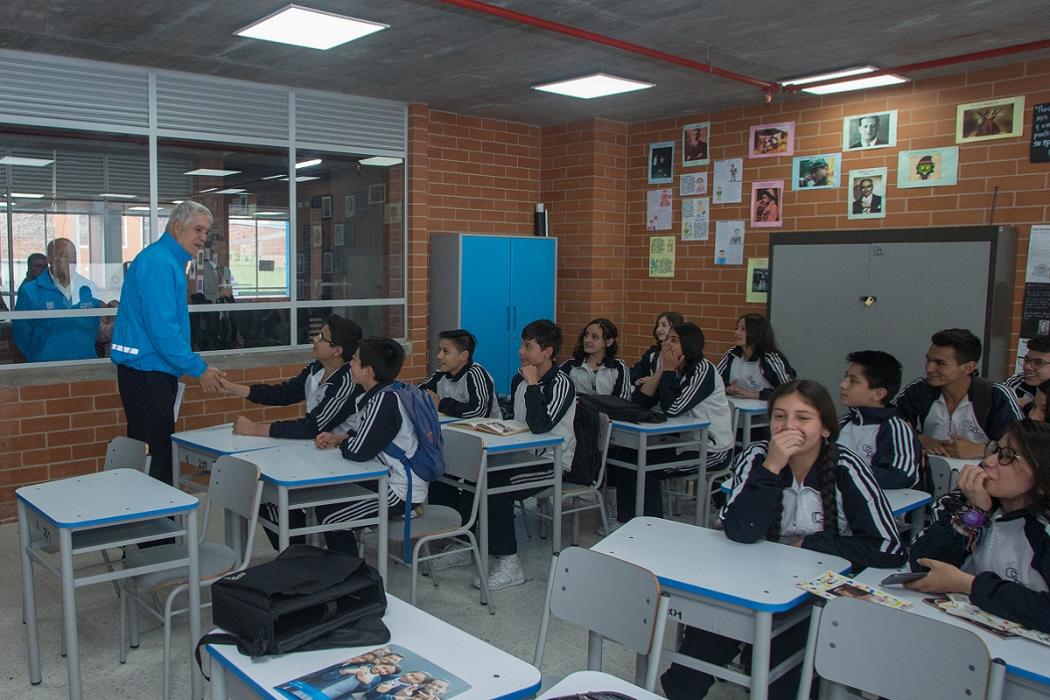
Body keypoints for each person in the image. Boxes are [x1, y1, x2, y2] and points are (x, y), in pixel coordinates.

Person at [660, 380, 905, 700]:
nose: (789, 426)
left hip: (817, 593)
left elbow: (889, 546)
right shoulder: (757, 457)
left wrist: (811, 544)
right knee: (706, 641)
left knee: (786, 673)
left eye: (803, 418)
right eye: (779, 417)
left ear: (826, 429)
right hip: (755, 582)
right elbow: (739, 529)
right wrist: (772, 467)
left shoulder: (847, 467)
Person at [431, 319, 576, 590]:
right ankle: (464, 544)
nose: (521, 351)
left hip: (548, 463)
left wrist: (533, 386)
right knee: (467, 471)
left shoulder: (561, 384)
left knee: (494, 483)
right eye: (522, 344)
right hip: (518, 455)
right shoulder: (519, 380)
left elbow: (540, 425)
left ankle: (510, 564)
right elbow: (518, 423)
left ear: (547, 352)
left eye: (528, 346)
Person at [111, 201, 226, 487]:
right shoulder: (160, 263)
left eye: (206, 231)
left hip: (151, 374)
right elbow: (163, 331)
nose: (202, 238)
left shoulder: (167, 261)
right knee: (157, 463)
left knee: (155, 456)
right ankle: (160, 530)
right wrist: (198, 368)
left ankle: (157, 527)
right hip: (147, 376)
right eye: (197, 229)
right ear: (176, 227)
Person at [907, 419, 1050, 634]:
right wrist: (976, 512)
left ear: (1041, 482)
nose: (988, 462)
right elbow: (923, 566)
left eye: (1008, 456)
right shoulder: (969, 503)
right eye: (996, 450)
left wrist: (969, 585)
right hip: (971, 635)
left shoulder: (1043, 530)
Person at [613, 322, 734, 522]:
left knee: (646, 468)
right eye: (667, 339)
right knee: (626, 456)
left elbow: (674, 409)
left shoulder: (704, 370)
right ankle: (626, 522)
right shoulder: (671, 366)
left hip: (711, 448)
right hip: (681, 443)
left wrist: (667, 371)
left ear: (689, 345)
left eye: (674, 340)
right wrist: (661, 371)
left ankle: (652, 526)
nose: (667, 344)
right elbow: (640, 402)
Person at [315, 338, 426, 557]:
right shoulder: (383, 393)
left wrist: (345, 443)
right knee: (324, 498)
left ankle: (354, 581)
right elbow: (367, 435)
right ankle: (325, 566)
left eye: (355, 360)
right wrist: (341, 438)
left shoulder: (384, 400)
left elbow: (358, 451)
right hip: (385, 477)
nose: (349, 365)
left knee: (333, 518)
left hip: (400, 490)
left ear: (368, 370)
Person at [219, 315, 363, 438]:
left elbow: (313, 426)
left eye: (321, 338)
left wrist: (254, 429)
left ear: (337, 351)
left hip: (340, 453)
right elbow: (284, 393)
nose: (315, 339)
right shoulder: (316, 368)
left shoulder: (348, 381)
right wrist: (233, 389)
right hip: (320, 446)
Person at [896, 328, 1022, 459]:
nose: (929, 369)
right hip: (929, 474)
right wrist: (917, 438)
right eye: (928, 360)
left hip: (984, 475)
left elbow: (1024, 449)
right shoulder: (917, 390)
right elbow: (889, 428)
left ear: (968, 368)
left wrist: (983, 449)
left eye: (940, 363)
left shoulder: (996, 395)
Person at [837, 350, 923, 489]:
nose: (843, 384)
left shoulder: (896, 428)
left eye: (853, 381)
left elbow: (902, 475)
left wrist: (842, 473)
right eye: (846, 377)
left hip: (880, 506)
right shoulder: (842, 423)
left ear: (879, 394)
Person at [13, 237, 104, 362]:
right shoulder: (30, 292)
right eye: (64, 255)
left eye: (73, 255)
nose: (70, 261)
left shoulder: (87, 288)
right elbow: (22, 335)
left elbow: (94, 326)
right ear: (49, 259)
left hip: (84, 365)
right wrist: (41, 355)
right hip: (47, 368)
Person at [418, 329, 500, 418]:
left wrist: (441, 404)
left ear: (464, 356)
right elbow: (417, 392)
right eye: (439, 350)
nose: (439, 356)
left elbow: (479, 412)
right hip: (451, 429)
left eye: (445, 351)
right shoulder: (440, 374)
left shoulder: (476, 373)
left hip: (484, 431)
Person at [717, 313, 796, 400]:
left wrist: (754, 394)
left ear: (757, 333)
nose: (737, 333)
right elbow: (715, 381)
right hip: (736, 407)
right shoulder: (731, 354)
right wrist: (727, 388)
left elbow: (789, 390)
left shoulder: (770, 358)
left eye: (743, 329)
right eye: (736, 328)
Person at [559, 318, 631, 399]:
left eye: (594, 337)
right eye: (586, 335)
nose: (587, 340)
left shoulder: (618, 367)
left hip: (610, 411)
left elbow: (623, 401)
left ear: (608, 342)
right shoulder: (571, 365)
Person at [630, 310, 684, 384]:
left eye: (664, 325)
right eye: (658, 326)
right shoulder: (653, 351)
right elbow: (635, 371)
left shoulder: (682, 354)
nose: (658, 329)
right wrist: (638, 381)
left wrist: (655, 381)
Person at [1003, 335, 1050, 412]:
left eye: (1038, 362)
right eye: (1026, 360)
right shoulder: (1017, 382)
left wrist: (1027, 407)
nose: (1027, 367)